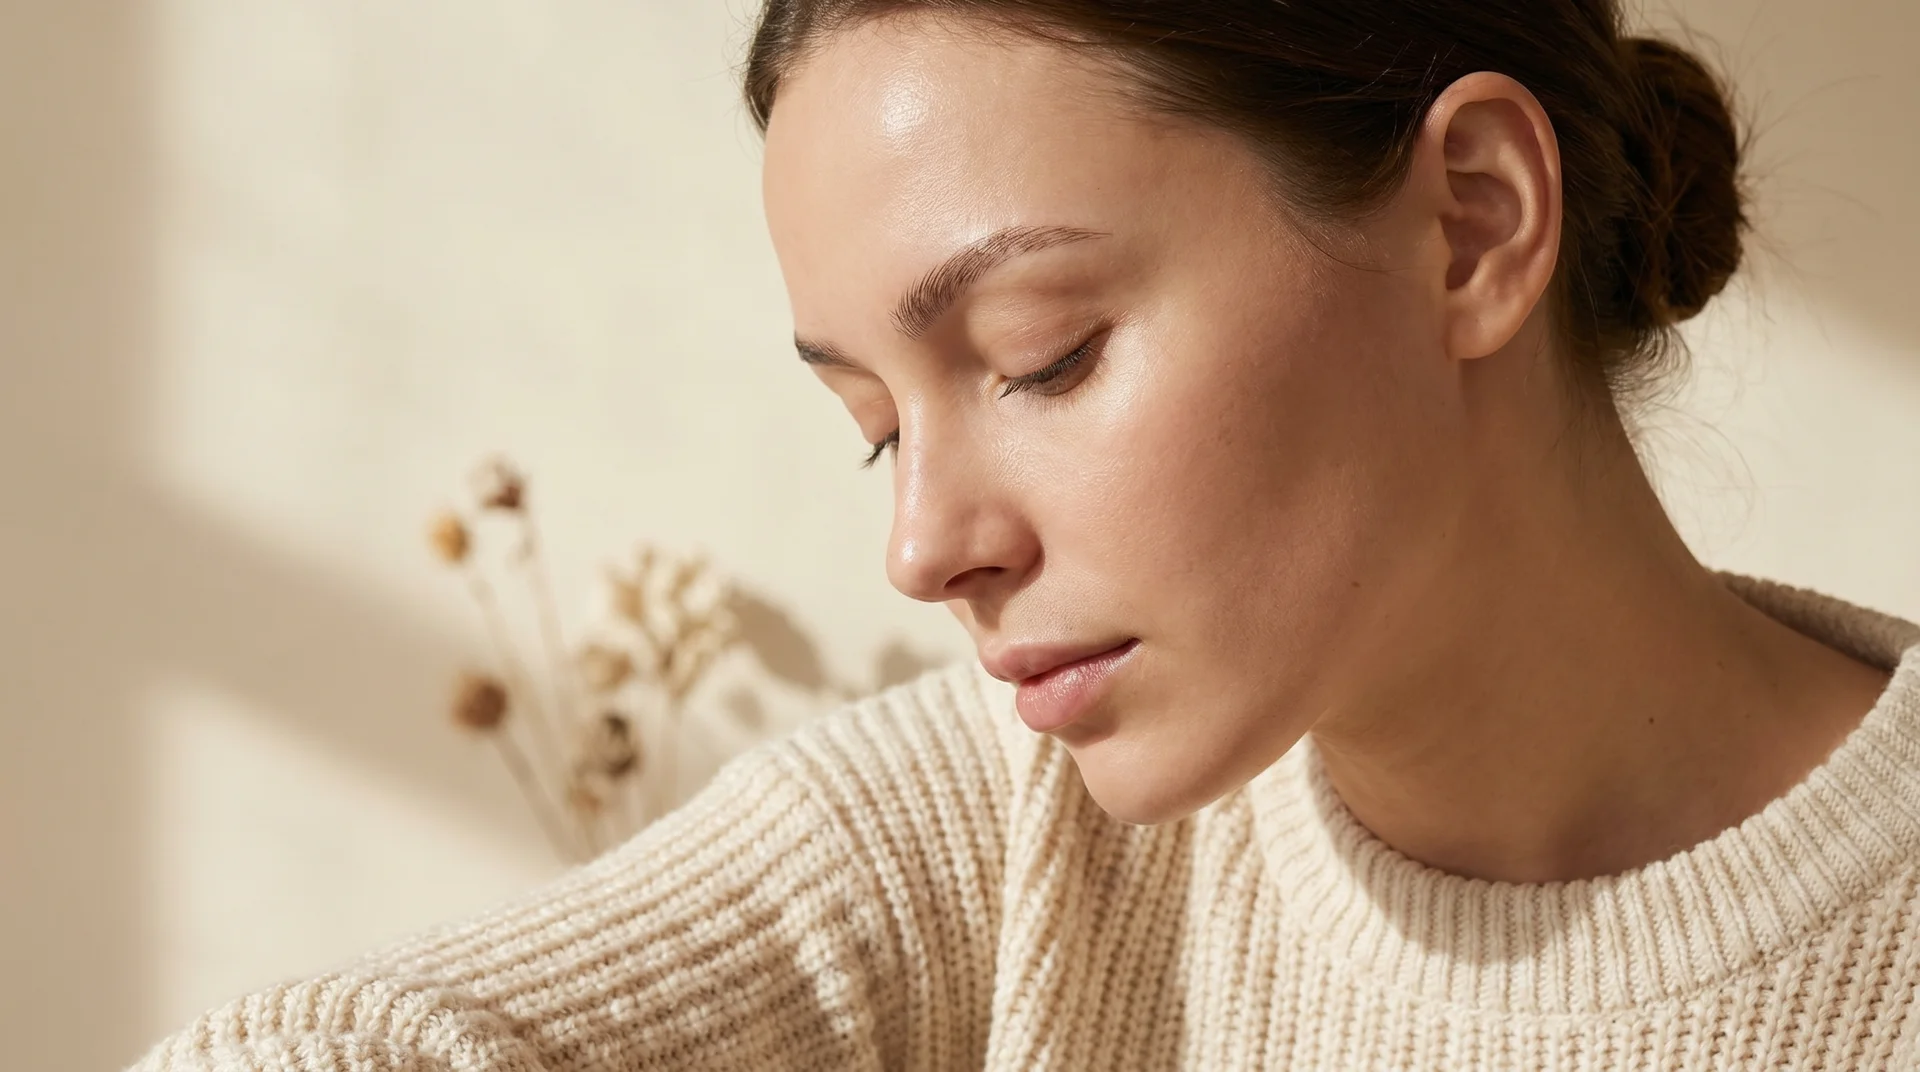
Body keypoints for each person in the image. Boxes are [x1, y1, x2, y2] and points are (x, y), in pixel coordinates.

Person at [132, 2, 1920, 1069]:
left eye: (1038, 356)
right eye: (876, 428)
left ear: (1471, 222)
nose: (924, 548)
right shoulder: (1002, 834)